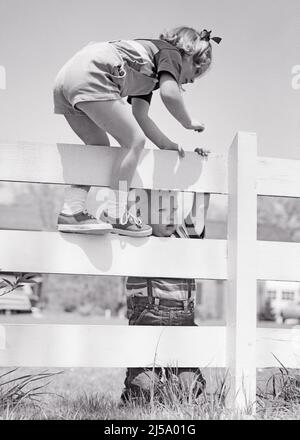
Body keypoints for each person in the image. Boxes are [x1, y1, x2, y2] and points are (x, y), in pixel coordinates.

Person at [53, 26, 221, 236]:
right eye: (196, 70)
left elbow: (141, 116)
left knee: (96, 149)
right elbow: (170, 94)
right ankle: (116, 213)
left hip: (67, 78)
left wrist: (166, 144)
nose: (192, 80)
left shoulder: (149, 74)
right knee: (134, 142)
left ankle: (71, 209)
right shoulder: (171, 54)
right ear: (187, 54)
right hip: (93, 72)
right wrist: (187, 121)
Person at [120, 173, 210, 404]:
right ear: (140, 215)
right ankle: (134, 391)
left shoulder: (184, 236)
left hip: (183, 323)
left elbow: (199, 212)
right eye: (161, 212)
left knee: (191, 385)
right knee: (144, 385)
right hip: (147, 321)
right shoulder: (136, 241)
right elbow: (124, 200)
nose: (170, 217)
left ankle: (174, 392)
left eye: (173, 210)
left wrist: (201, 174)